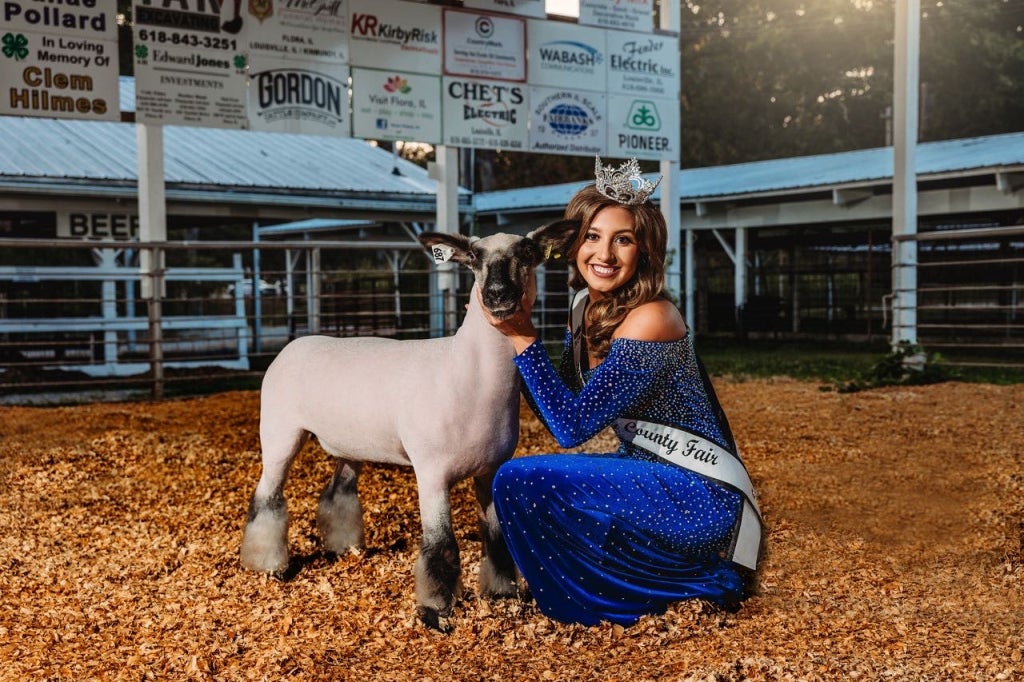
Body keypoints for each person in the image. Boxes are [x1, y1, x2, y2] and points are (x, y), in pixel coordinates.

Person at [481, 157, 763, 627]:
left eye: (623, 239)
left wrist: (523, 338)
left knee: (519, 480)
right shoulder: (583, 309)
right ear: (571, 246)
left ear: (645, 251)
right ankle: (619, 586)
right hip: (644, 470)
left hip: (697, 490)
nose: (604, 254)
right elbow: (563, 405)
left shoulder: (652, 318)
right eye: (592, 236)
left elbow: (570, 428)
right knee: (520, 481)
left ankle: (658, 590)